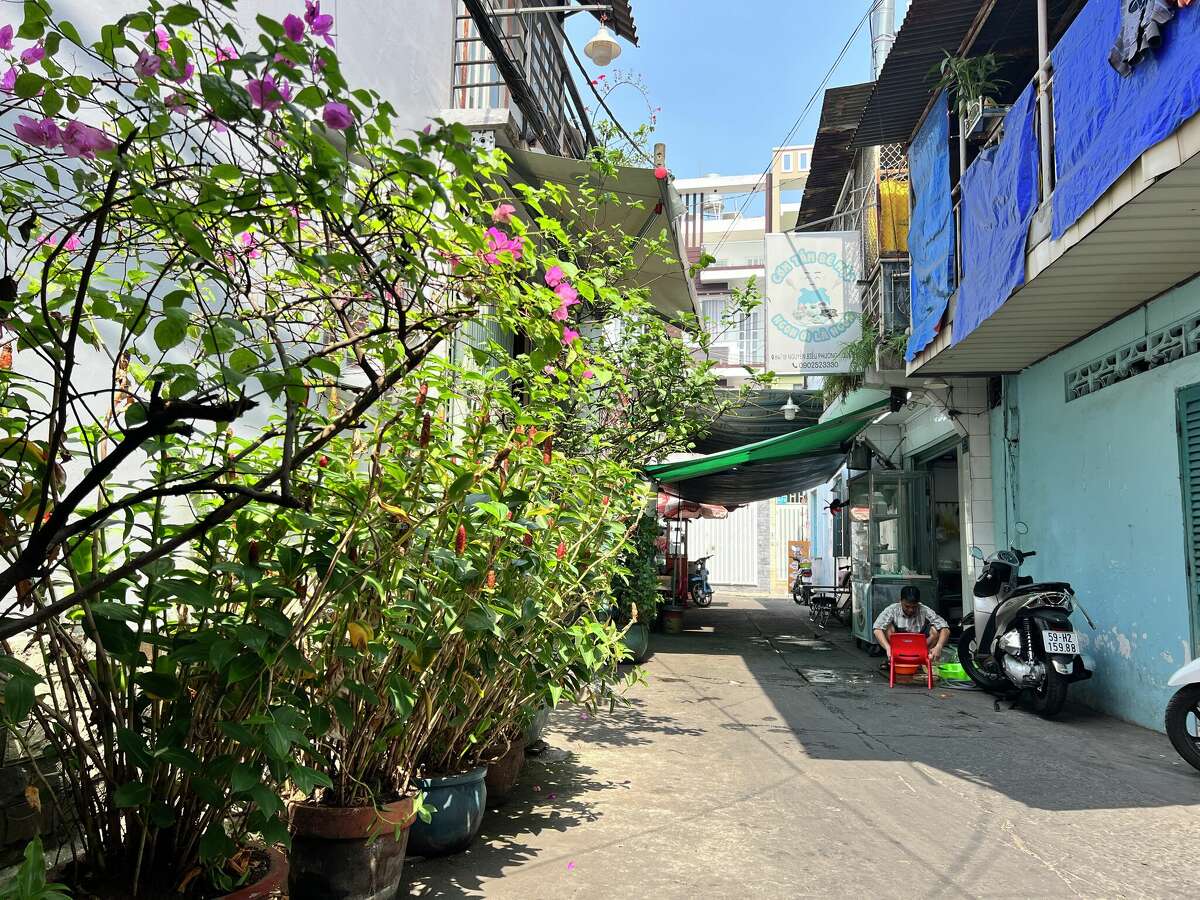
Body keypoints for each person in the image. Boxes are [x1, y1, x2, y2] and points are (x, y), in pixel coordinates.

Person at [872, 585, 950, 664]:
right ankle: (895, 657)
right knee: (887, 628)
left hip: (920, 646)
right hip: (899, 645)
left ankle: (924, 659)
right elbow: (877, 629)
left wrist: (939, 647)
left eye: (914, 607)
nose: (910, 610)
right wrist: (888, 648)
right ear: (900, 601)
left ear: (918, 603)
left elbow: (945, 629)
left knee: (935, 631)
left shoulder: (924, 609)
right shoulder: (892, 609)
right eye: (907, 606)